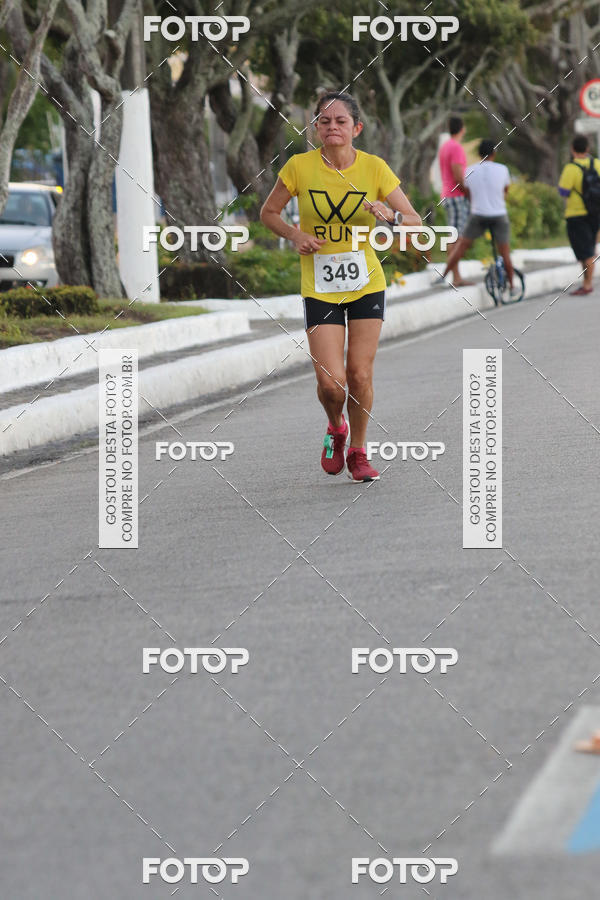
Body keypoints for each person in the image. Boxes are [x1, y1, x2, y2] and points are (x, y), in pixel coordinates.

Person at [260, 91, 421, 482]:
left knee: (360, 375)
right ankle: (336, 426)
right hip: (320, 286)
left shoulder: (374, 168)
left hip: (366, 282)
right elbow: (269, 212)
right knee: (331, 383)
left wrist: (390, 217)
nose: (332, 127)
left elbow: (414, 221)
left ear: (356, 128)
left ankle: (359, 451)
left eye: (341, 121)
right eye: (324, 121)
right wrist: (295, 234)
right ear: (316, 128)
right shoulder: (299, 167)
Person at [440, 139, 519, 299]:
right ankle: (512, 286)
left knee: (462, 246)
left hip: (478, 215)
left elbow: (468, 192)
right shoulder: (503, 169)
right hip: (498, 215)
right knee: (505, 252)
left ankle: (443, 275)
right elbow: (505, 191)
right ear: (494, 154)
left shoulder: (470, 170)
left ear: (479, 154)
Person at [558, 135, 600, 295]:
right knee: (588, 248)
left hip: (576, 214)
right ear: (587, 149)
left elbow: (563, 191)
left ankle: (588, 285)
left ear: (572, 150)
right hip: (595, 213)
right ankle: (586, 282)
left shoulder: (571, 168)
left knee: (586, 252)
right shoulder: (596, 164)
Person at [436, 116, 473, 286]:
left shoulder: (445, 146)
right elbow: (458, 176)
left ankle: (454, 276)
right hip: (456, 196)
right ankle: (455, 277)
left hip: (447, 195)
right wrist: (468, 194)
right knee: (458, 239)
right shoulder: (456, 147)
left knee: (454, 237)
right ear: (462, 128)